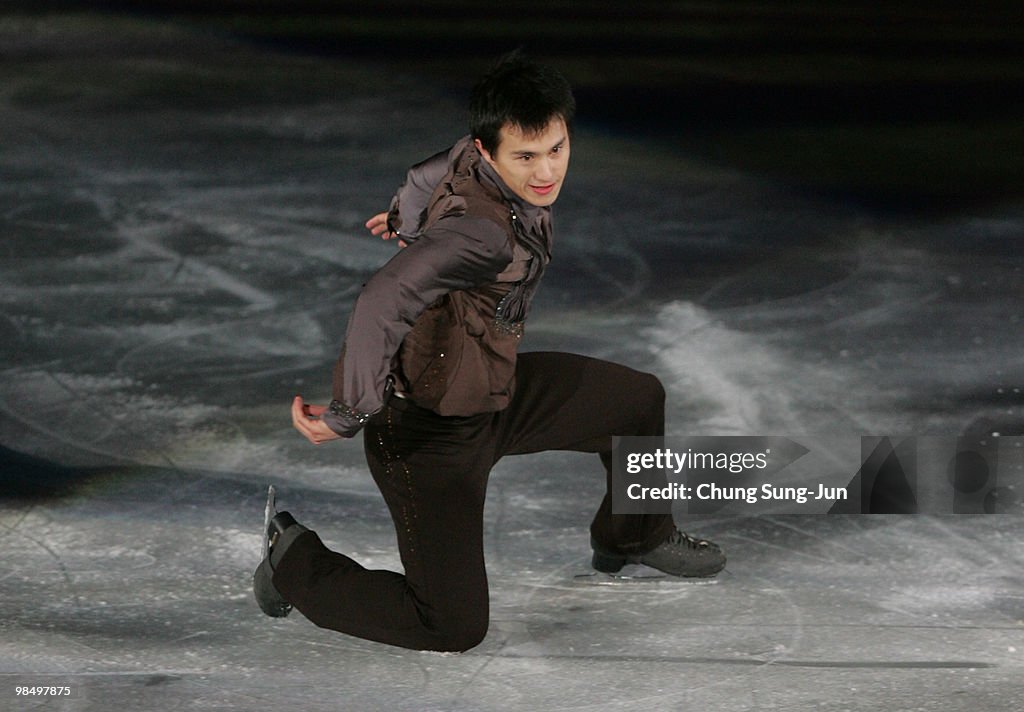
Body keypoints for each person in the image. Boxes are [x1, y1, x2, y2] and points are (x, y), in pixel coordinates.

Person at [253, 52, 725, 653]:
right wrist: (349, 412)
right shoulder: (482, 235)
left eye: (556, 147)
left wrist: (405, 215)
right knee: (452, 625)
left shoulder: (468, 156)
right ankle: (293, 562)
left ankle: (633, 535)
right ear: (489, 151)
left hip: (490, 394)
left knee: (636, 402)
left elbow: (430, 171)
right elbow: (381, 300)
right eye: (525, 157)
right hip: (427, 436)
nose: (546, 171)